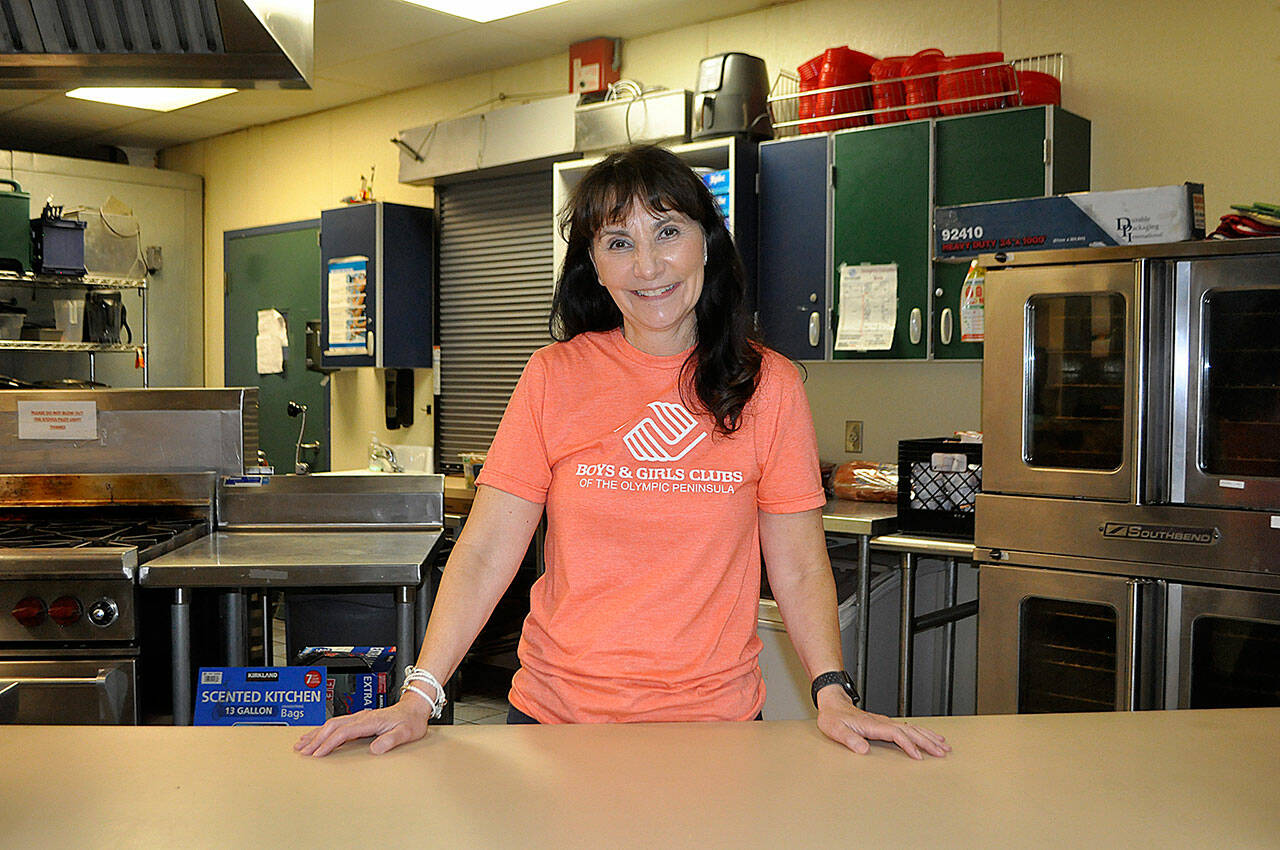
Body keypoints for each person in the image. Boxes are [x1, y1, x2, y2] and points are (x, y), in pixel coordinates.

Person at [296, 145, 949, 760]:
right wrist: (419, 698)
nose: (647, 265)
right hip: (556, 725)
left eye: (667, 232)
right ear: (596, 268)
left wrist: (832, 694)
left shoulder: (767, 385)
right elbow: (488, 550)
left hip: (711, 732)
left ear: (706, 244)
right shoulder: (555, 375)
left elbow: (802, 568)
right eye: (618, 243)